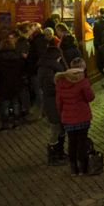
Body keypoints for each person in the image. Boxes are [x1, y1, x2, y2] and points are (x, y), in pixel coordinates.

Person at [56, 57, 95, 175]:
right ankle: (83, 167)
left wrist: (62, 115)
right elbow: (90, 97)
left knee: (72, 142)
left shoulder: (61, 82)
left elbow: (59, 102)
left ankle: (74, 168)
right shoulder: (83, 82)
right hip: (82, 116)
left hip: (68, 118)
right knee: (82, 142)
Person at [37, 29, 68, 162]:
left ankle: (60, 152)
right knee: (55, 129)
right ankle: (53, 155)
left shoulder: (48, 67)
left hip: (55, 102)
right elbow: (50, 88)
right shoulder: (48, 70)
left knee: (60, 128)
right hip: (52, 103)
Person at [0, 35, 26, 131]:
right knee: (16, 103)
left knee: (4, 104)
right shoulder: (18, 57)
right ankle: (16, 123)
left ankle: (5, 124)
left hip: (3, 83)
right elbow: (23, 69)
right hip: (16, 83)